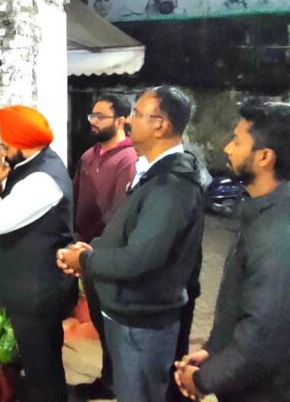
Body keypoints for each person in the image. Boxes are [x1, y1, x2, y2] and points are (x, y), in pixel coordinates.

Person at [174, 98, 290, 402]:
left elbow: (262, 340)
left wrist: (204, 380)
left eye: (237, 141)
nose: (227, 148)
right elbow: (245, 303)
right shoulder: (267, 208)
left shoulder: (286, 239)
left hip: (273, 391)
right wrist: (214, 351)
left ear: (264, 157)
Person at [58, 86, 205, 402]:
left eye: (137, 114)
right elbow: (128, 231)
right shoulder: (152, 171)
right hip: (130, 307)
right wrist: (94, 251)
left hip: (143, 317)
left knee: (139, 392)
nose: (130, 120)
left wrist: (85, 261)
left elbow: (140, 258)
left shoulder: (170, 185)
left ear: (160, 125)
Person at [0, 106, 77, 402]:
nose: (1, 151)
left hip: (38, 295)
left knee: (43, 374)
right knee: (41, 367)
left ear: (24, 145)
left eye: (5, 145)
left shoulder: (42, 180)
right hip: (32, 290)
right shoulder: (32, 165)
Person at [72, 94, 137, 398]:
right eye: (92, 116)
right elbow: (75, 196)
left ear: (121, 121)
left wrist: (97, 247)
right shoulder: (89, 156)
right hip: (86, 252)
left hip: (107, 254)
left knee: (112, 323)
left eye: (101, 116)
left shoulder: (128, 159)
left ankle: (118, 382)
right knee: (99, 320)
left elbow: (120, 213)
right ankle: (108, 377)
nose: (93, 122)